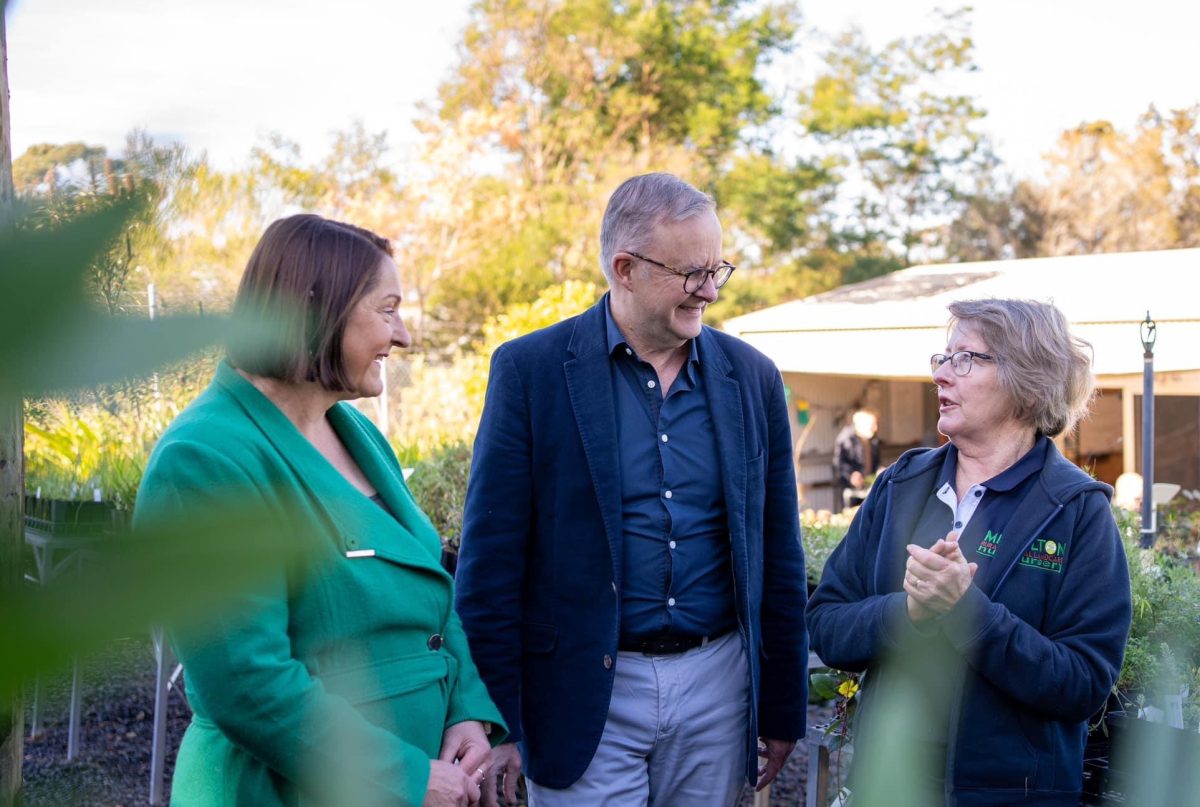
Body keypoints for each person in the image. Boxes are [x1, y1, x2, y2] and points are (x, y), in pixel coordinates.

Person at [454, 173, 809, 807]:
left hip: (718, 689)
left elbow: (779, 553)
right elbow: (490, 562)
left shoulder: (752, 378)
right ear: (625, 267)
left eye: (717, 270)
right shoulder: (530, 371)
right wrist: (500, 718)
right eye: (691, 273)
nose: (709, 292)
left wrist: (782, 708)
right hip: (580, 693)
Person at [134, 214, 506, 807]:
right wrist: (403, 776)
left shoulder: (355, 432)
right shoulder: (204, 461)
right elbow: (247, 684)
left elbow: (431, 587)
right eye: (387, 309)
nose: (403, 334)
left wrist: (466, 712)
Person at [806, 298, 1132, 806]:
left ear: (1028, 379)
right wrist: (910, 611)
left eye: (966, 359)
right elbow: (827, 624)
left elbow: (1084, 684)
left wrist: (968, 613)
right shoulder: (900, 485)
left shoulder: (1074, 510)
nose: (941, 375)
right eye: (942, 357)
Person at [832, 408, 881, 512]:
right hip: (850, 492)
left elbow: (876, 462)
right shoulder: (846, 439)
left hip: (868, 489)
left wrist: (880, 470)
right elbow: (838, 465)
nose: (876, 428)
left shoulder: (873, 440)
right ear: (862, 425)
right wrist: (851, 476)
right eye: (873, 425)